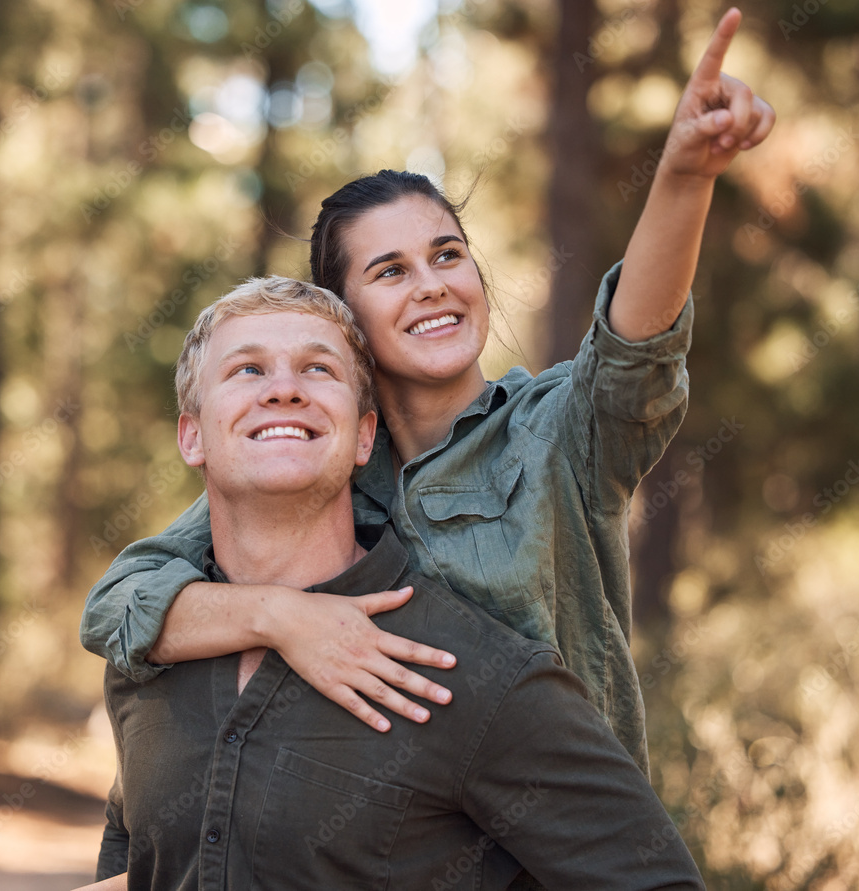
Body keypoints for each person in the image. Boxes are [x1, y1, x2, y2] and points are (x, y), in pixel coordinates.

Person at [79, 8, 774, 776]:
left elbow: (636, 349)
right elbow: (121, 603)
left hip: (564, 851)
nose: (432, 285)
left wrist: (684, 174)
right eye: (390, 271)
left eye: (447, 255)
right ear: (342, 316)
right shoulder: (320, 469)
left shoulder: (556, 433)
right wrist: (283, 617)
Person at [81, 276, 705, 890]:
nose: (283, 391)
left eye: (317, 369)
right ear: (192, 436)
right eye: (247, 369)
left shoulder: (468, 674)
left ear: (364, 436)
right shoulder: (152, 654)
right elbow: (140, 858)